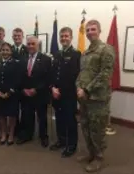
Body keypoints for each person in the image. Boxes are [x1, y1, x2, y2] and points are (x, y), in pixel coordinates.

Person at [76, 19, 115, 173]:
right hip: (84, 98)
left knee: (97, 130)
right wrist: (78, 86)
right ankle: (91, 153)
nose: (90, 32)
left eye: (93, 29)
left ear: (99, 31)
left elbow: (105, 74)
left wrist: (86, 89)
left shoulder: (106, 49)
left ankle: (99, 158)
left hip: (98, 99)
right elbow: (82, 73)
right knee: (85, 127)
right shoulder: (85, 53)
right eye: (88, 30)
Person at [49, 27, 81, 158]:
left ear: (71, 37)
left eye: (66, 36)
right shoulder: (57, 54)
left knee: (70, 120)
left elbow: (78, 76)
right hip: (57, 93)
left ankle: (72, 145)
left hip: (69, 94)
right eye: (62, 36)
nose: (63, 38)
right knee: (59, 119)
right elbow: (52, 74)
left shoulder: (77, 54)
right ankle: (61, 140)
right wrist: (52, 88)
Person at [16, 36, 51, 148]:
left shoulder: (46, 59)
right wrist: (23, 89)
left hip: (40, 94)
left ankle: (43, 136)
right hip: (26, 94)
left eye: (33, 44)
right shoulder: (23, 58)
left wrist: (36, 89)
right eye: (29, 44)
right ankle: (27, 135)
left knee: (42, 117)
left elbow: (48, 78)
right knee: (27, 115)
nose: (30, 46)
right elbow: (19, 76)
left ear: (38, 45)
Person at [0, 42, 21, 145]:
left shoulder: (16, 63)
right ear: (0, 52)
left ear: (11, 52)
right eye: (3, 50)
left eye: (7, 50)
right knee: (2, 115)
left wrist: (9, 92)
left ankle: (11, 134)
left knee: (12, 115)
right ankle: (4, 133)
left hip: (12, 94)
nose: (5, 52)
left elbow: (18, 80)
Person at [11, 28, 29, 136]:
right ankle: (15, 129)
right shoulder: (8, 49)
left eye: (19, 36)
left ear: (22, 37)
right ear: (12, 37)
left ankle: (24, 129)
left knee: (25, 109)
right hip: (13, 85)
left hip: (24, 84)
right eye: (15, 36)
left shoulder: (28, 49)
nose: (17, 37)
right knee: (14, 109)